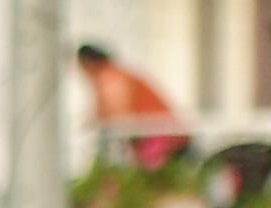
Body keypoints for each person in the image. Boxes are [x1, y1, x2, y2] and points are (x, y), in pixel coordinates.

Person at [76, 42, 193, 171]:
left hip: (162, 138)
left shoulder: (111, 76)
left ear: (88, 63)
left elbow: (118, 113)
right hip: (157, 136)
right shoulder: (113, 75)